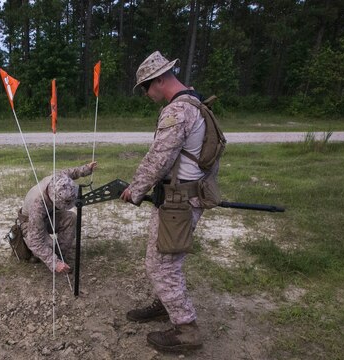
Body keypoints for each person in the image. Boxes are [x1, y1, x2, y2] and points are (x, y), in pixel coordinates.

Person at [120, 51, 206, 353]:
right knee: (166, 259)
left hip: (179, 202)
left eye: (146, 87)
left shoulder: (177, 112)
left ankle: (186, 330)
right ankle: (166, 304)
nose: (146, 93)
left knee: (161, 265)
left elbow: (158, 159)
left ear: (159, 80)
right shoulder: (197, 103)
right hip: (186, 196)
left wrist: (136, 189)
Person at [18, 162, 97, 274]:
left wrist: (87, 169)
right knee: (46, 246)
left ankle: (60, 257)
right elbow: (35, 240)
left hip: (49, 215)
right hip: (30, 222)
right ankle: (39, 256)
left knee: (71, 218)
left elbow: (72, 172)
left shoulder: (60, 179)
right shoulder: (37, 205)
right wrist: (53, 262)